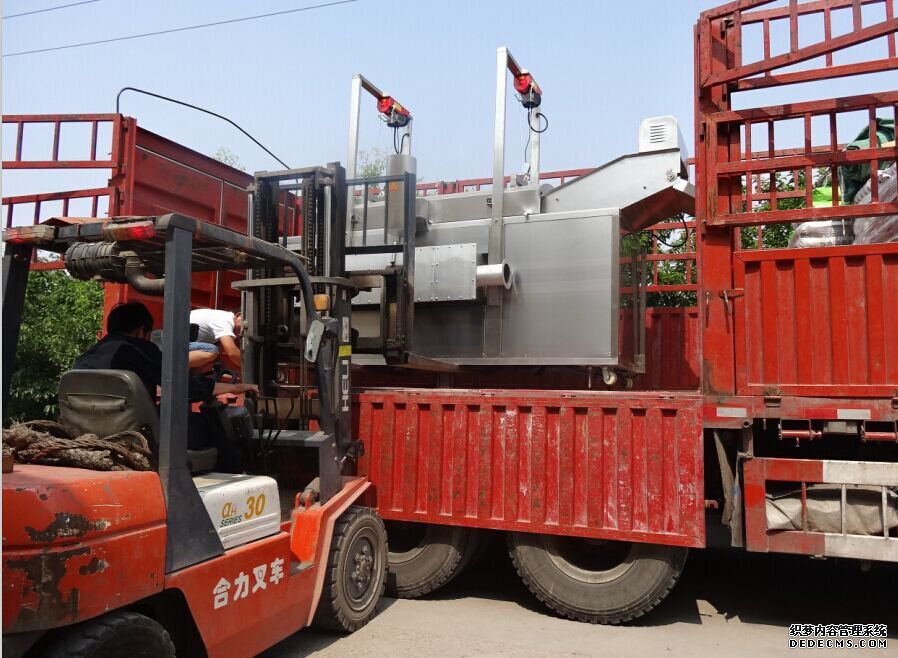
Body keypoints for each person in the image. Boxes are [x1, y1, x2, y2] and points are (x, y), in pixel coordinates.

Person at [74, 302, 255, 472]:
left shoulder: (85, 357)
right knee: (210, 424)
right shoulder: (140, 349)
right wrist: (234, 387)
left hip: (90, 433)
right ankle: (237, 477)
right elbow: (183, 388)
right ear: (141, 330)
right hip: (141, 437)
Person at [189, 308, 243, 372]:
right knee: (211, 350)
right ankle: (178, 364)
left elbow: (222, 349)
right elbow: (232, 352)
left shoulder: (224, 317)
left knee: (216, 351)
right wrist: (249, 368)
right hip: (180, 341)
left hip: (186, 341)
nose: (244, 329)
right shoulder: (226, 321)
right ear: (238, 315)